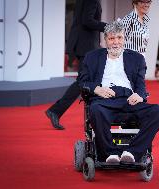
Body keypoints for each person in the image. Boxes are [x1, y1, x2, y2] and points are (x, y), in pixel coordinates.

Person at [78, 21, 159, 163]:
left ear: (124, 39)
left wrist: (140, 94)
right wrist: (96, 88)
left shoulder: (137, 58)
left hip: (129, 100)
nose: (116, 42)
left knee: (157, 112)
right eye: (111, 38)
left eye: (119, 38)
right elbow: (82, 81)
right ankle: (110, 153)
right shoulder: (92, 57)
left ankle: (132, 153)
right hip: (104, 100)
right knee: (95, 109)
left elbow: (140, 84)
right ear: (105, 40)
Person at [45, 0, 106, 130]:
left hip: (85, 45)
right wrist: (108, 27)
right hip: (86, 46)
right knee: (83, 82)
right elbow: (87, 21)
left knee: (89, 82)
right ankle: (56, 111)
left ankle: (92, 118)